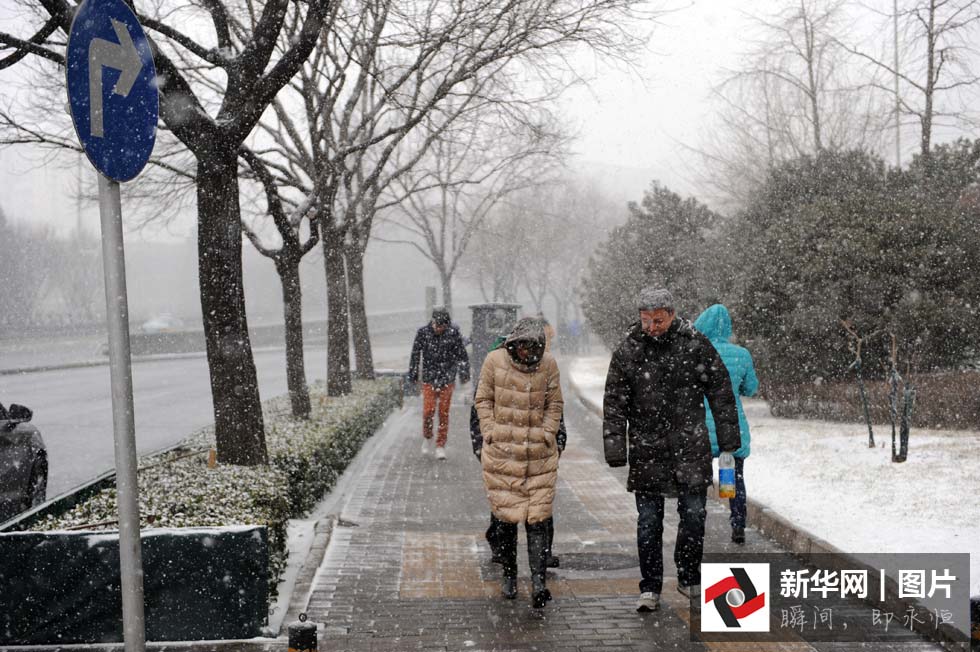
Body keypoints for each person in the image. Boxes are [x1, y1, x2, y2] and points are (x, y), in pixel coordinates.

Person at [602, 287, 740, 613]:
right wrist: (614, 446)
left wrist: (728, 440)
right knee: (648, 521)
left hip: (689, 445)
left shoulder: (695, 344)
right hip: (647, 447)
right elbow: (614, 402)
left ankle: (689, 574)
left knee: (694, 516)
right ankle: (649, 586)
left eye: (658, 320)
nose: (651, 327)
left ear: (672, 314)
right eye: (646, 320)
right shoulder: (630, 350)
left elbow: (720, 391)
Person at [475, 318, 563, 608]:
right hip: (503, 454)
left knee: (538, 518)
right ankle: (510, 576)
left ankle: (539, 582)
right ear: (514, 344)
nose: (527, 353)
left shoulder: (548, 364)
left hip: (539, 454)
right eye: (522, 346)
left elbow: (555, 404)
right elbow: (483, 399)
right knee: (507, 519)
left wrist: (547, 432)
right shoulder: (494, 361)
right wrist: (490, 431)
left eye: (533, 347)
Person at [694, 304, 759, 545]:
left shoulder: (696, 352)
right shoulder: (741, 354)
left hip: (701, 428)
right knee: (732, 477)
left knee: (698, 480)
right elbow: (751, 388)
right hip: (731, 427)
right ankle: (738, 524)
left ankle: (696, 522)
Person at [407, 308, 471, 460]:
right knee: (428, 411)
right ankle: (427, 437)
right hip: (429, 378)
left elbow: (462, 355)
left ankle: (440, 445)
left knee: (443, 413)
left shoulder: (453, 334)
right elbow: (415, 354)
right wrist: (413, 374)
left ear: (447, 325)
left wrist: (464, 375)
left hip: (447, 378)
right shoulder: (423, 333)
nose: (439, 328)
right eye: (437, 325)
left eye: (442, 326)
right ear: (433, 322)